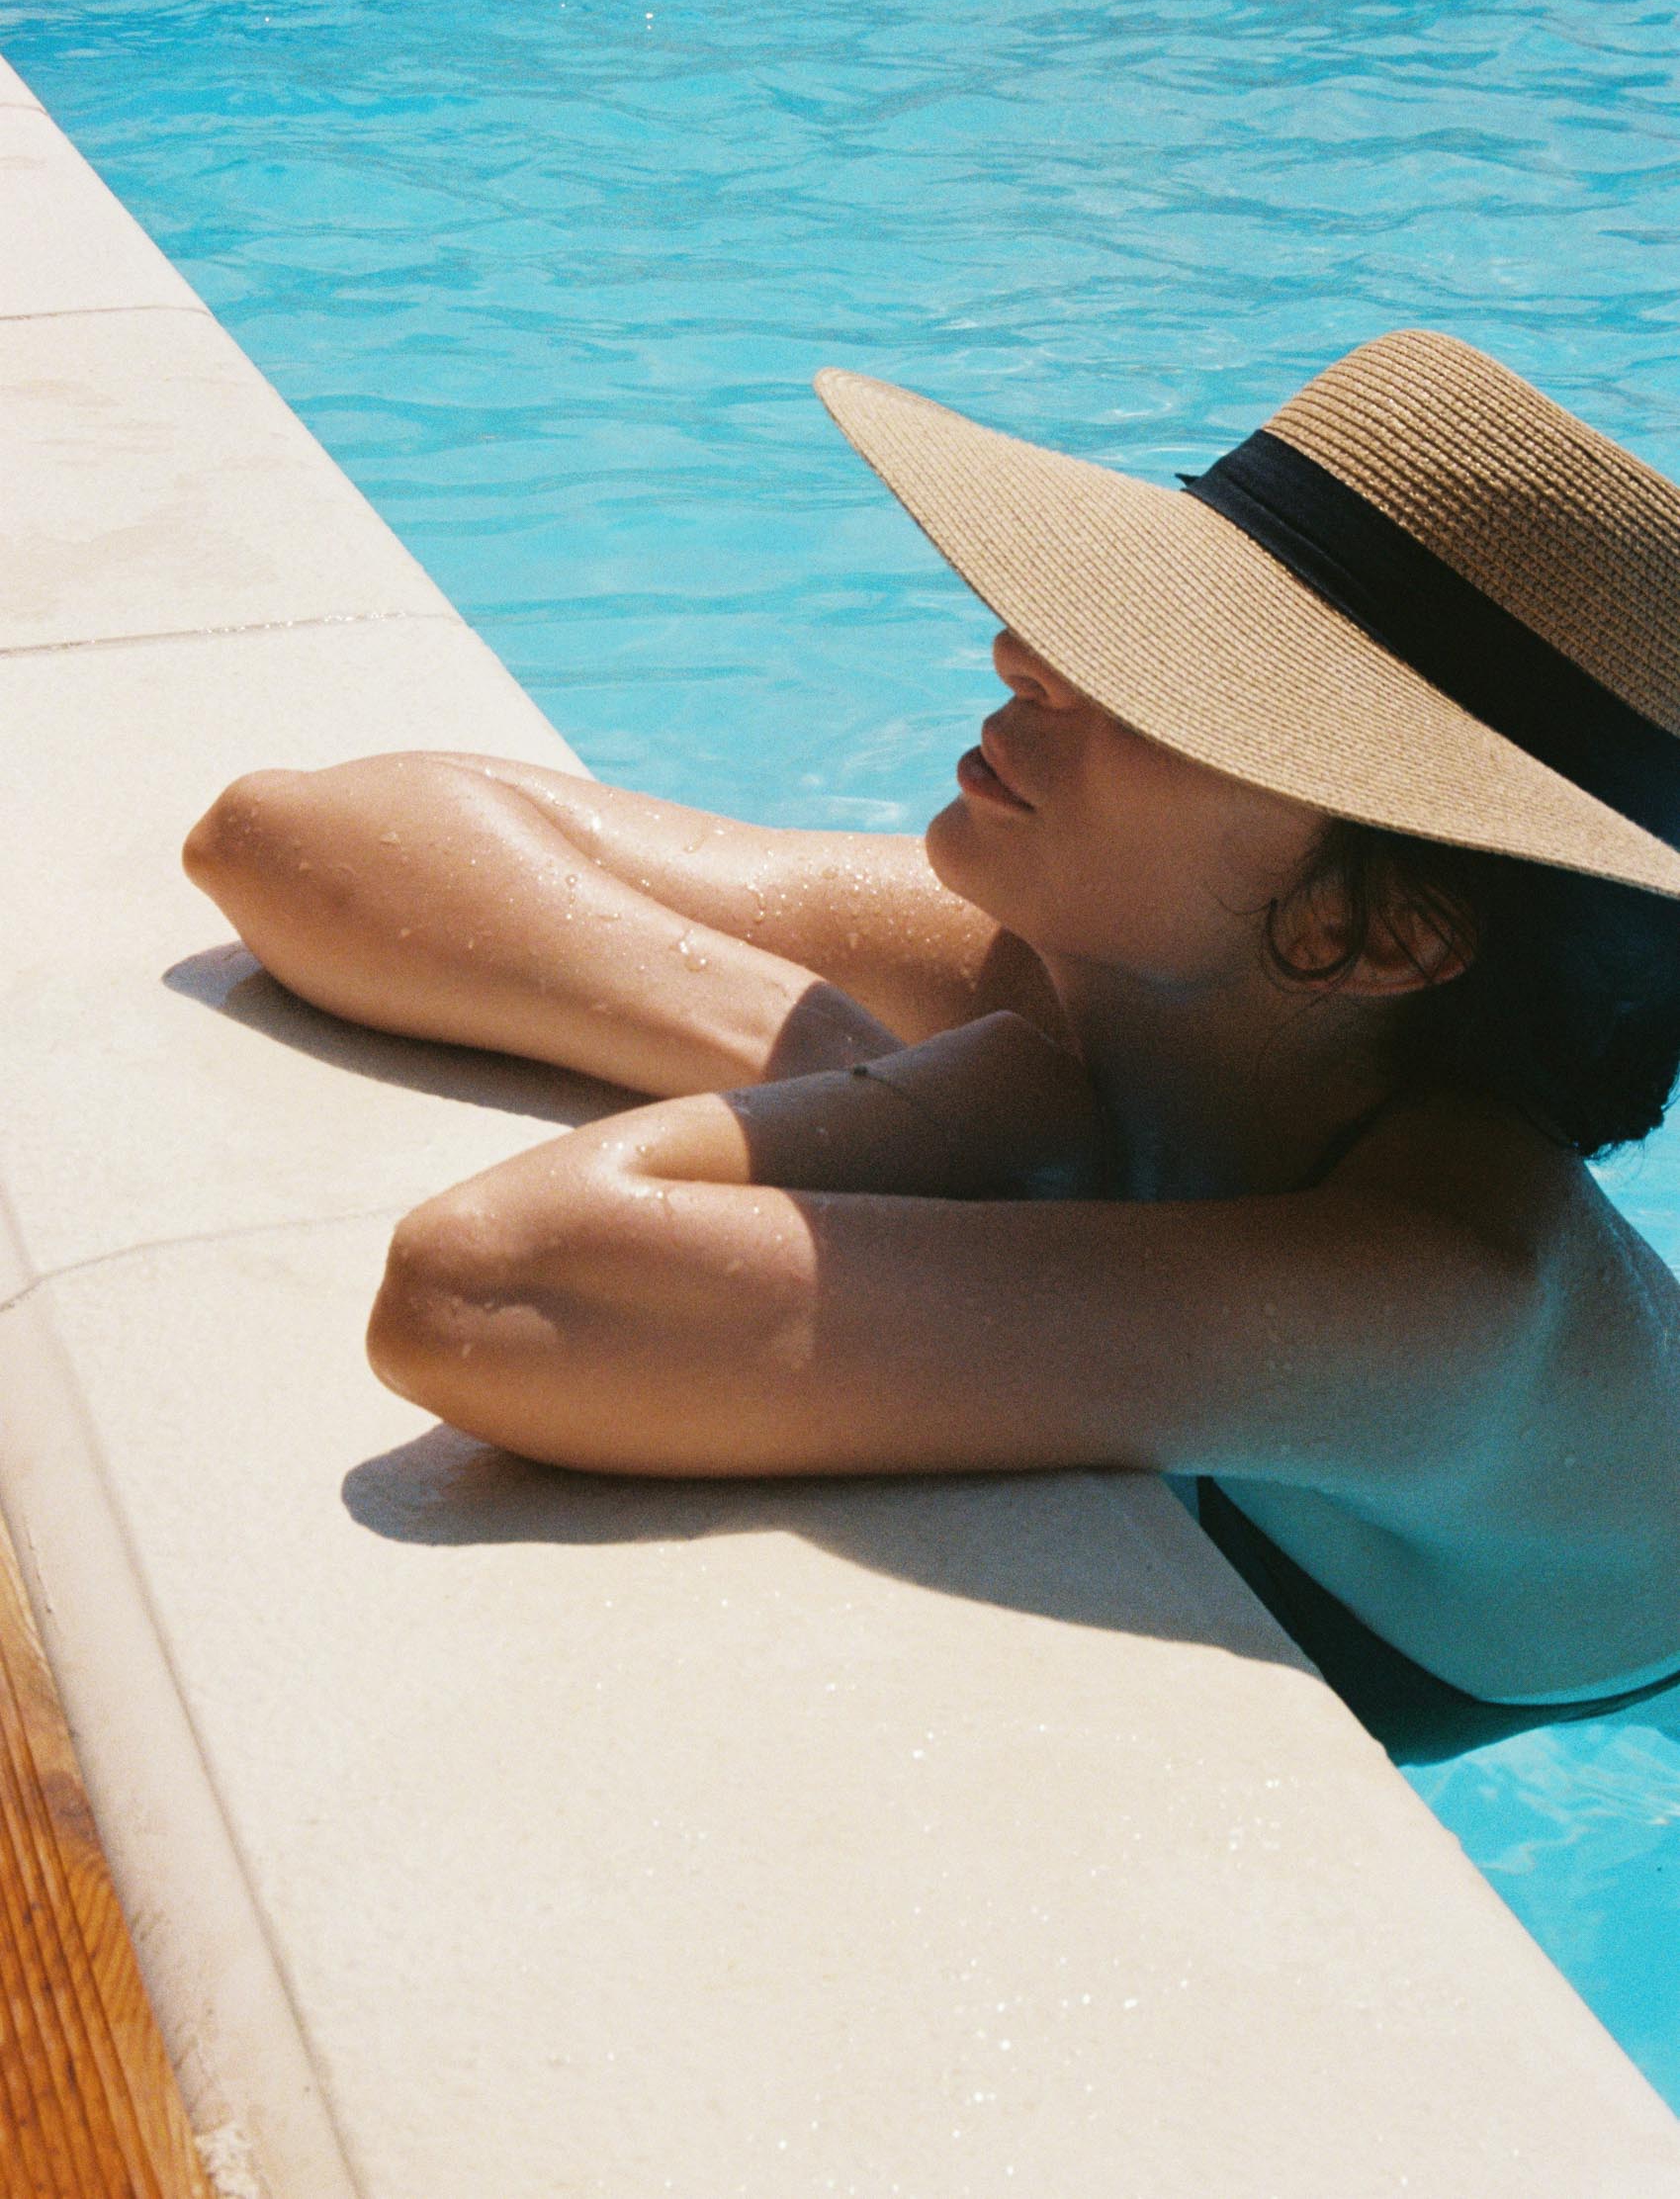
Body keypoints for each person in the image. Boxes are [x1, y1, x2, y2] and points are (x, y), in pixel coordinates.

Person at [183, 328, 1680, 1711]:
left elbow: (495, 1296)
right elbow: (304, 836)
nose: (1023, 656)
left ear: (1385, 928)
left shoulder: (1447, 1313)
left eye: (1177, 685)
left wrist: (981, 1110)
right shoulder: (1150, 979)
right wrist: (846, 1048)